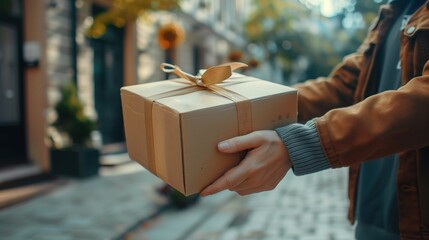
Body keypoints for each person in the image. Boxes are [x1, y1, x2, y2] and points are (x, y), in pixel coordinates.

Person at [200, 0, 429, 239]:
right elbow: (343, 87)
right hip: (371, 217)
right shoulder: (394, 11)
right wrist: (247, 106)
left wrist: (299, 145)